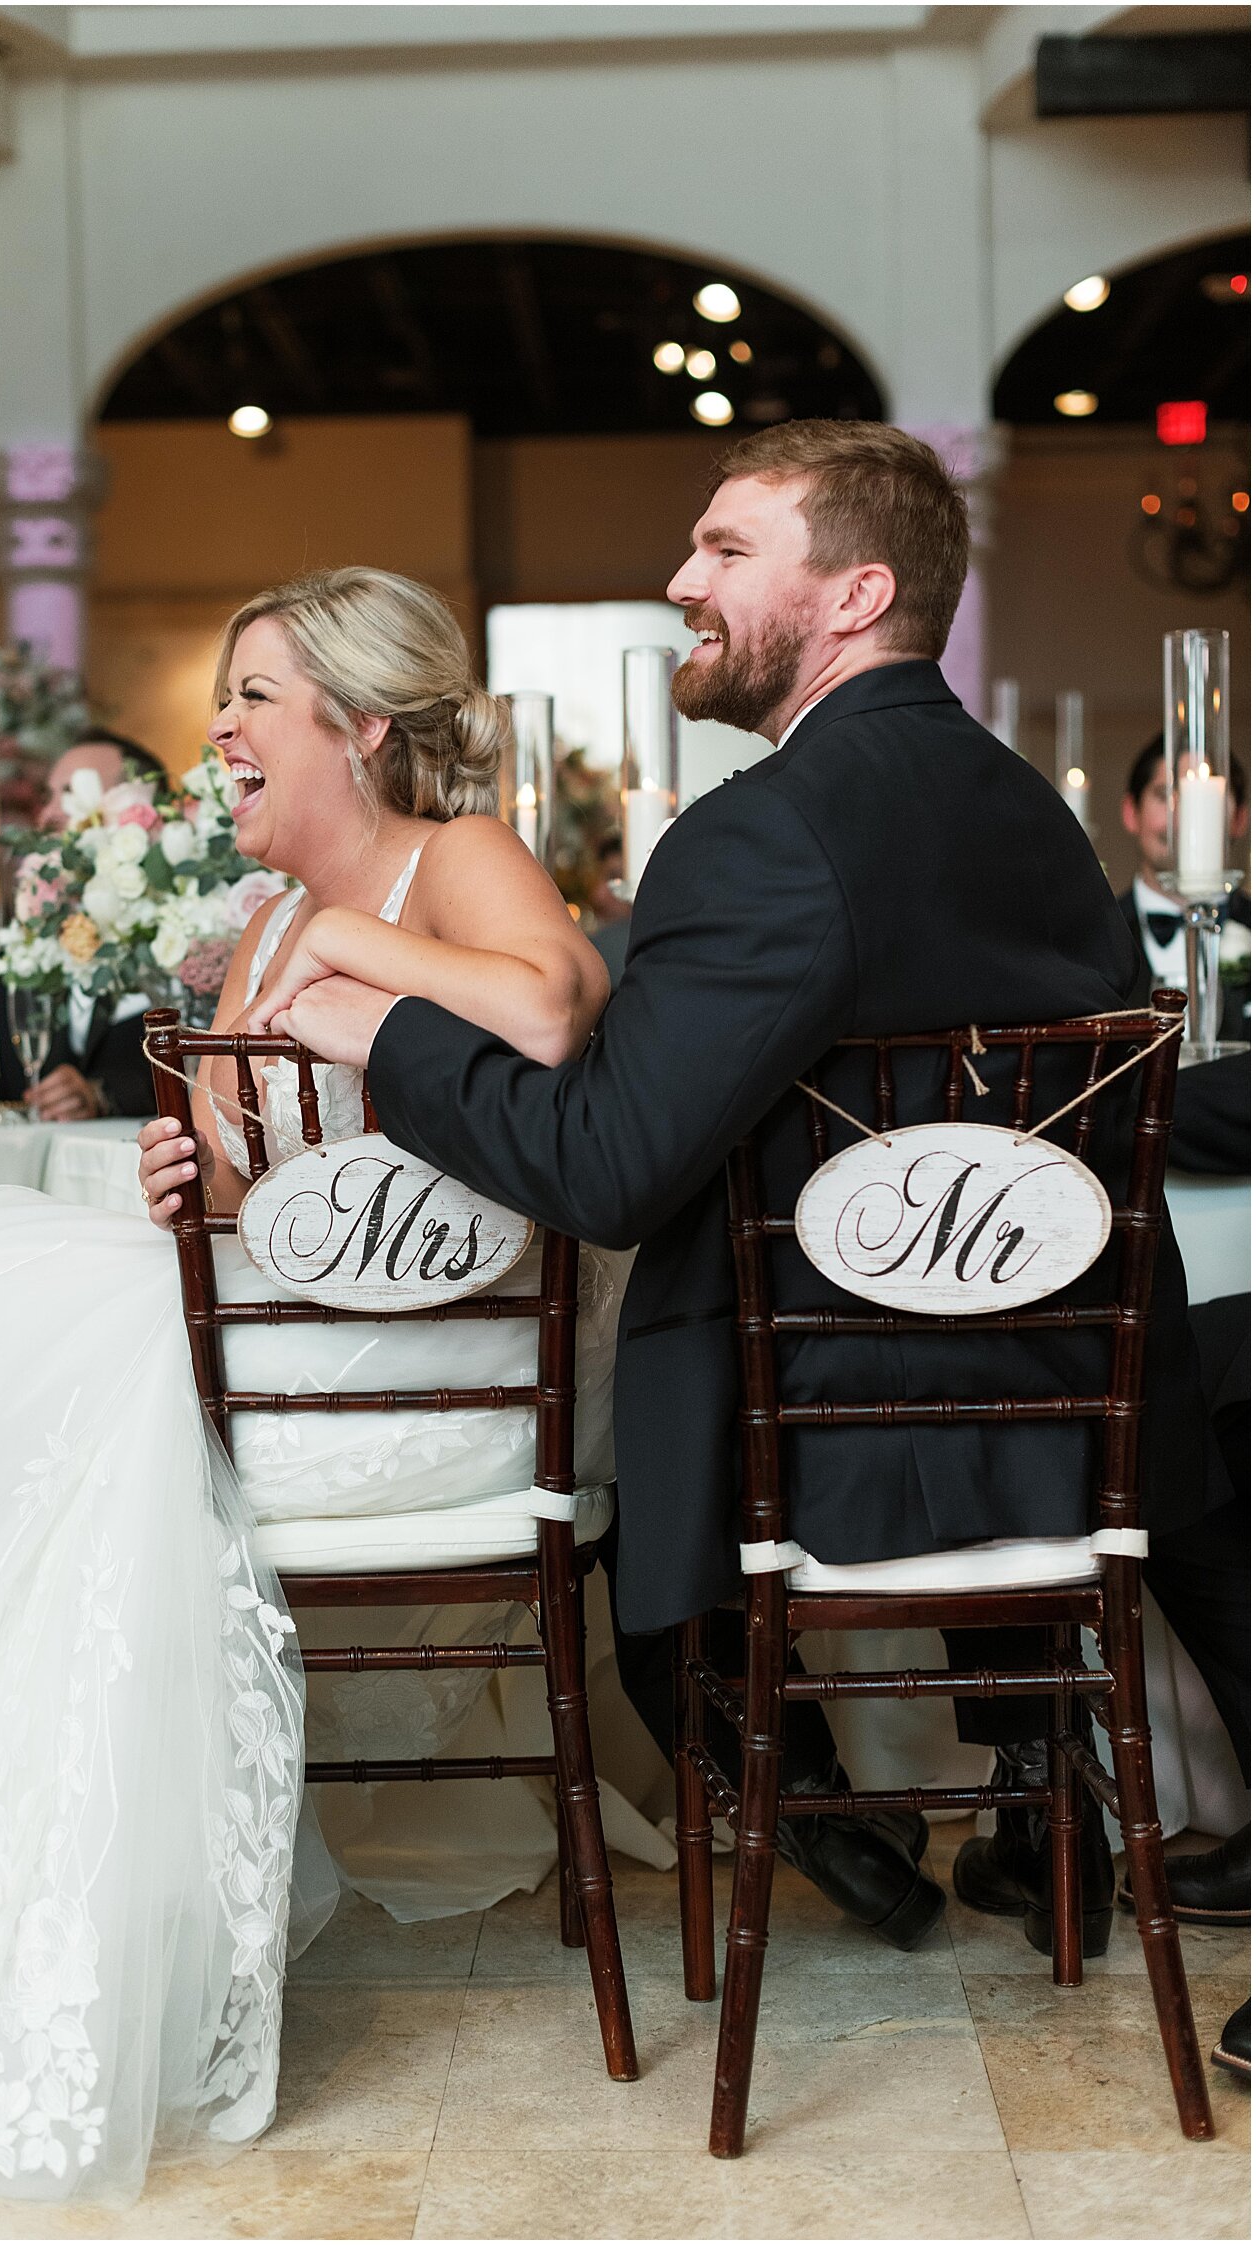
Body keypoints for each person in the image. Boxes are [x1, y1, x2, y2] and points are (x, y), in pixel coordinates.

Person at [265, 421, 1229, 1964]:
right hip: (1068, 1409)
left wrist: (393, 1036)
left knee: (634, 1391)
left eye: (725, 551)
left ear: (852, 597)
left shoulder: (763, 832)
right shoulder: (1032, 816)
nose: (678, 581)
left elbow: (608, 1167)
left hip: (832, 1435)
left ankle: (834, 1800)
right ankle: (1042, 1777)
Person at [0, 569, 613, 2200]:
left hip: (425, 1373)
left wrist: (360, 949)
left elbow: (557, 1010)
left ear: (361, 730)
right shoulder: (270, 923)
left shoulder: (456, 861)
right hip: (289, 1337)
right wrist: (194, 1174)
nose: (215, 731)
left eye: (253, 698)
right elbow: (258, 1193)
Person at [0, 733, 166, 1120]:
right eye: (47, 796)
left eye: (70, 795)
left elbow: (200, 1057)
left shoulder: (182, 925)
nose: (47, 815)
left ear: (138, 810)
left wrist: (103, 1094)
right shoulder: (24, 939)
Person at [1118, 734, 1251, 1042]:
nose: (1184, 821)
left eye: (1205, 799)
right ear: (1130, 811)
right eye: (1165, 796)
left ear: (1240, 818)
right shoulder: (1093, 935)